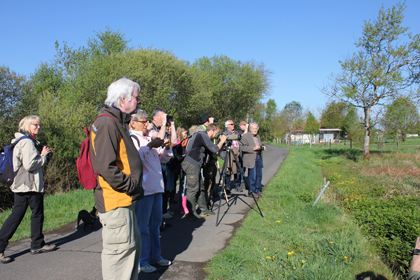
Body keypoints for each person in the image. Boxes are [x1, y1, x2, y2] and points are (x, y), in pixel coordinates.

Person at [89, 78, 143, 280]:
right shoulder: (106, 123)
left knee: (129, 251)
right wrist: (131, 185)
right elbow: (106, 167)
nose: (138, 102)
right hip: (116, 200)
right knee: (120, 255)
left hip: (123, 199)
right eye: (136, 97)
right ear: (123, 98)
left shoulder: (116, 121)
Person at [0, 116, 56, 264]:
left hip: (22, 184)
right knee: (28, 215)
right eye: (34, 125)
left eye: (39, 125)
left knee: (24, 215)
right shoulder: (27, 142)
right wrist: (43, 156)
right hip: (29, 185)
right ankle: (35, 245)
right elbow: (30, 164)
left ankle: (37, 244)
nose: (38, 127)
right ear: (26, 125)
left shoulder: (24, 140)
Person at [130, 109, 173, 274]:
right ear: (133, 123)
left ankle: (156, 256)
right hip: (144, 189)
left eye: (147, 121)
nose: (146, 124)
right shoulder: (133, 138)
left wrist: (167, 148)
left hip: (157, 187)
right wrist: (150, 146)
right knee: (143, 227)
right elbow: (135, 161)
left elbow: (162, 158)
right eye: (143, 121)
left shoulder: (148, 136)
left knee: (155, 225)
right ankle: (143, 260)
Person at [182, 124, 228, 221]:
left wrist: (222, 146)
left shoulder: (204, 136)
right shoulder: (202, 135)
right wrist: (222, 141)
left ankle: (204, 210)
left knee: (201, 187)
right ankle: (191, 213)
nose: (216, 136)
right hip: (191, 164)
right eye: (216, 133)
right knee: (193, 188)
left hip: (195, 165)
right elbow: (214, 149)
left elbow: (213, 153)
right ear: (211, 130)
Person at [241, 123, 266, 197]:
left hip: (258, 156)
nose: (255, 130)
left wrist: (263, 146)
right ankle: (251, 192)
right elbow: (242, 148)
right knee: (252, 175)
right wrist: (253, 148)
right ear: (250, 129)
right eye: (253, 128)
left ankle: (258, 190)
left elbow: (260, 144)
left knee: (259, 174)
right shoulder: (245, 136)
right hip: (250, 157)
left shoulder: (258, 136)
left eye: (256, 129)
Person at [220, 120, 242, 193]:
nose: (233, 125)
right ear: (227, 126)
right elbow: (224, 144)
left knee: (238, 171)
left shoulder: (236, 133)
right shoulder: (224, 134)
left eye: (233, 124)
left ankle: (237, 185)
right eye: (231, 124)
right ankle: (227, 187)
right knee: (228, 170)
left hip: (237, 154)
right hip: (228, 154)